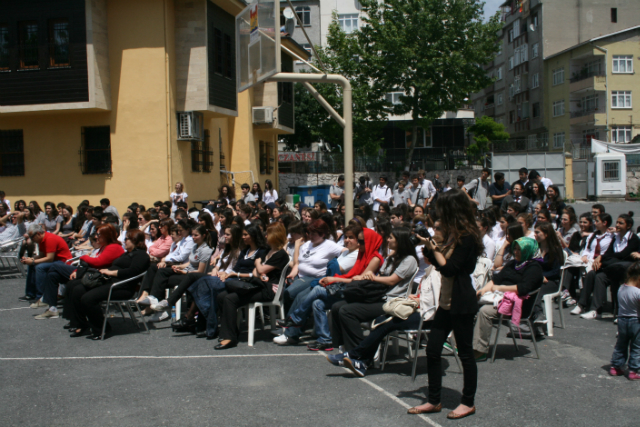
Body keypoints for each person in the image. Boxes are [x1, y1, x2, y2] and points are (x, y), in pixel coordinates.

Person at [408, 189, 481, 419]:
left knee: (465, 354)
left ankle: (467, 402)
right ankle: (434, 400)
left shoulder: (467, 237)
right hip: (446, 302)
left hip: (462, 302)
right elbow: (440, 266)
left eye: (444, 210)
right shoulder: (451, 235)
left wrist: (433, 246)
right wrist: (430, 247)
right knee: (432, 350)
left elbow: (450, 268)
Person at [274, 225, 381, 348]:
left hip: (354, 292)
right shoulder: (359, 254)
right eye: (346, 237)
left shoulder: (373, 258)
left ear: (369, 241)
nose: (347, 240)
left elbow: (358, 280)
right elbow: (349, 275)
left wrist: (333, 277)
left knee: (315, 290)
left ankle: (296, 320)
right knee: (317, 303)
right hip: (343, 286)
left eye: (354, 238)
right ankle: (325, 339)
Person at [331, 227, 418, 353]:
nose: (387, 240)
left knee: (347, 311)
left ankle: (359, 353)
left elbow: (392, 280)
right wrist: (366, 277)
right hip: (379, 296)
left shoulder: (409, 260)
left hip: (391, 301)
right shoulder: (391, 257)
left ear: (400, 241)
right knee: (337, 306)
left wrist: (372, 277)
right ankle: (343, 346)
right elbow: (381, 276)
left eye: (391, 238)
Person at [65, 229, 150, 339]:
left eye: (127, 239)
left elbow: (132, 272)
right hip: (110, 282)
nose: (125, 241)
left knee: (88, 298)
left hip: (123, 287)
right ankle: (82, 324)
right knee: (78, 290)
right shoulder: (127, 254)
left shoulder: (141, 255)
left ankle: (101, 329)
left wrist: (110, 272)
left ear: (136, 241)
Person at [214, 224, 288, 349]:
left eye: (268, 234)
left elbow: (260, 268)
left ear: (275, 236)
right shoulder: (268, 251)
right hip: (259, 284)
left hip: (270, 290)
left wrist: (258, 264)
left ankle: (230, 337)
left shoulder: (281, 254)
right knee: (222, 296)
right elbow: (255, 272)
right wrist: (260, 272)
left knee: (230, 299)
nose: (265, 236)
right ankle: (231, 331)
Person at [475, 236, 544, 356]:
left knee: (485, 311)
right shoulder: (513, 263)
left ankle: (479, 350)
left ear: (527, 251)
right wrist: (483, 290)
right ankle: (458, 344)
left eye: (519, 250)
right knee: (466, 304)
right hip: (499, 297)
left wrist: (499, 288)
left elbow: (522, 289)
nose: (515, 252)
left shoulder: (534, 268)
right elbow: (497, 279)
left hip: (518, 304)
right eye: (515, 249)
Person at [181, 225, 244, 337]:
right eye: (225, 233)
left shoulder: (239, 252)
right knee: (205, 286)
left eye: (228, 234)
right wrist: (215, 269)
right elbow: (218, 266)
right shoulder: (226, 250)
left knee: (204, 284)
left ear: (235, 236)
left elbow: (232, 271)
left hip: (229, 279)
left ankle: (194, 318)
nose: (225, 236)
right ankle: (203, 325)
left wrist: (219, 273)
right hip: (218, 277)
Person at [576, 212, 640, 319]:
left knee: (607, 277)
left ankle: (616, 312)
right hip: (612, 267)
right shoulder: (616, 237)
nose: (618, 225)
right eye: (617, 223)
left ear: (628, 226)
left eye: (621, 223)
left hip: (625, 271)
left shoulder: (633, 239)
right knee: (596, 275)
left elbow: (623, 255)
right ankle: (593, 309)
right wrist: (601, 257)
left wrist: (604, 258)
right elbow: (609, 252)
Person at [20, 224, 73, 315]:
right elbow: (41, 255)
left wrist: (33, 261)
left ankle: (43, 296)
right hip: (55, 261)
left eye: (32, 237)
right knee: (32, 265)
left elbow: (49, 258)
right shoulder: (41, 240)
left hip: (62, 262)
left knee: (39, 267)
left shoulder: (50, 239)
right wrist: (31, 259)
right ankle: (31, 293)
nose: (31, 239)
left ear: (38, 234)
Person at [564, 213, 612, 307]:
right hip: (588, 259)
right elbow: (587, 248)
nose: (595, 223)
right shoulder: (593, 235)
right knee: (570, 263)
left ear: (605, 223)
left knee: (587, 271)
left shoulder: (611, 236)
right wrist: (585, 255)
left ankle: (583, 302)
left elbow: (609, 251)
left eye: (597, 221)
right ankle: (567, 291)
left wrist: (601, 257)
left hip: (599, 261)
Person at [609, 261, 640, 380]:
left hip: (622, 320)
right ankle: (633, 370)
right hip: (636, 321)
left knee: (621, 344)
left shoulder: (621, 288)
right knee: (637, 346)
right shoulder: (637, 292)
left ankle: (616, 367)